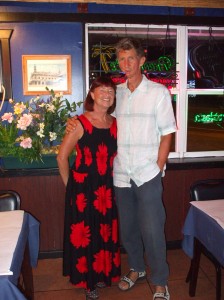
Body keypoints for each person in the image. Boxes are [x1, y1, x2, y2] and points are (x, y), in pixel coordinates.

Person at [66, 38, 176, 300]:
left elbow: (167, 134)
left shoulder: (158, 93)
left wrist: (158, 167)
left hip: (147, 173)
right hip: (120, 175)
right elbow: (99, 117)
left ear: (141, 60)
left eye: (130, 58)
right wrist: (74, 121)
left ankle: (160, 281)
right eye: (121, 59)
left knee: (152, 230)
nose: (125, 64)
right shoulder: (117, 94)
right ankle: (137, 268)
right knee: (127, 230)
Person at [57, 76, 121, 300]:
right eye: (102, 90)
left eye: (111, 91)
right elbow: (62, 157)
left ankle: (102, 274)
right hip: (83, 191)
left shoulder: (115, 123)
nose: (107, 94)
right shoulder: (79, 123)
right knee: (86, 234)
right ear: (92, 95)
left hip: (106, 189)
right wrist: (71, 188)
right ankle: (88, 283)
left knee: (103, 231)